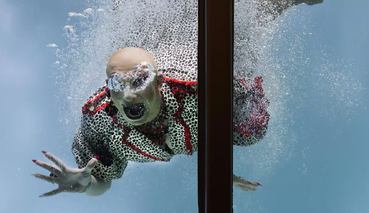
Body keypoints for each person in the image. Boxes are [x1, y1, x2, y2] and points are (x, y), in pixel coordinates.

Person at [32, 0, 323, 197]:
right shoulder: (100, 122)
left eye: (139, 80)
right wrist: (84, 187)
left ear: (159, 82)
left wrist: (217, 157)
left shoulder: (199, 80)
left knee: (251, 129)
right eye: (117, 84)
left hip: (216, 71)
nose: (128, 93)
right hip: (177, 74)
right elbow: (99, 182)